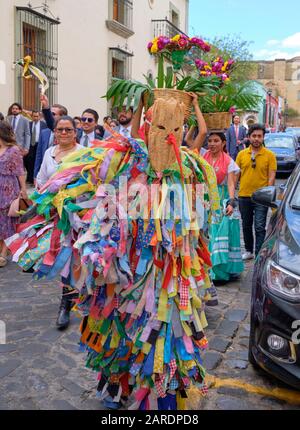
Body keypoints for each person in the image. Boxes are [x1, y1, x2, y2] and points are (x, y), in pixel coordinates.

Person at [8, 94, 220, 410]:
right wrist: (63, 206)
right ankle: (116, 388)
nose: (169, 137)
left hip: (171, 273)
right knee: (118, 331)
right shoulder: (128, 159)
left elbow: (198, 217)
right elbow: (93, 184)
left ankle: (164, 399)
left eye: (176, 129)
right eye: (161, 127)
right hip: (127, 267)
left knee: (166, 333)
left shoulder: (190, 167)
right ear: (149, 127)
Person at [35, 116, 83, 330]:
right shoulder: (48, 153)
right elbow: (42, 177)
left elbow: (90, 182)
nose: (64, 133)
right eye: (60, 129)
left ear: (75, 132)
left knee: (78, 256)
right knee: (66, 258)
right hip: (56, 215)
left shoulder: (83, 153)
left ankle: (75, 300)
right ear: (54, 132)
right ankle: (67, 300)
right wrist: (41, 194)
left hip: (79, 214)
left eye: (68, 130)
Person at [203, 132, 244, 280]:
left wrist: (231, 202)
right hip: (203, 198)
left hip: (220, 200)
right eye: (210, 141)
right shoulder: (203, 157)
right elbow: (189, 140)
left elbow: (231, 183)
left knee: (217, 233)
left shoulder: (229, 162)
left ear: (224, 143)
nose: (212, 144)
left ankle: (218, 272)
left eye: (216, 141)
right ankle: (204, 266)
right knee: (203, 234)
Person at [236, 124, 277, 260]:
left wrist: (268, 194)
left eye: (259, 136)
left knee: (259, 226)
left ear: (263, 137)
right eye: (254, 136)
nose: (256, 139)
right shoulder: (241, 155)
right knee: (246, 225)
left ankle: (259, 252)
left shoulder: (270, 155)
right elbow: (236, 175)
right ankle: (249, 250)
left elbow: (271, 177)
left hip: (261, 198)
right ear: (248, 137)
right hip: (244, 196)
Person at [0, 122, 27, 267]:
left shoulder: (13, 150)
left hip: (8, 187)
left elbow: (19, 171)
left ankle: (3, 253)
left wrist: (23, 189)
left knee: (7, 220)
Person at [34, 99, 68, 182]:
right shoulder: (44, 132)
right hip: (45, 174)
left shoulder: (69, 133)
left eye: (52, 114)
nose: (48, 115)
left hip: (62, 175)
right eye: (48, 113)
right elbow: (39, 156)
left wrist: (46, 108)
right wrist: (35, 175)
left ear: (62, 116)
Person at [24, 110, 47, 185]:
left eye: (37, 116)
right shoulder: (29, 124)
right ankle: (30, 178)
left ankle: (36, 178)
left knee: (37, 162)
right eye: (34, 116)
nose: (36, 118)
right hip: (30, 145)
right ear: (31, 116)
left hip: (39, 145)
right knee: (28, 161)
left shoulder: (44, 124)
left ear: (39, 116)